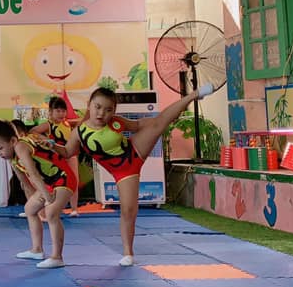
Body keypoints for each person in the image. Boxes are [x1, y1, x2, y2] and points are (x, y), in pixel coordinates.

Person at [63, 84, 211, 267]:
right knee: (128, 209)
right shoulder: (79, 132)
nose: (102, 113)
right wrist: (49, 146)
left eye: (108, 110)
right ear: (89, 105)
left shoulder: (116, 122)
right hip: (123, 171)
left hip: (134, 150)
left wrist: (157, 121)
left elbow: (138, 125)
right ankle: (128, 252)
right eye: (98, 107)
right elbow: (67, 151)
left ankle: (194, 95)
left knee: (159, 123)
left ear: (113, 111)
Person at [0, 120, 75, 268]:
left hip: (63, 177)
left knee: (51, 212)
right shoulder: (12, 158)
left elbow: (33, 174)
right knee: (29, 209)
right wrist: (37, 199)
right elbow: (25, 183)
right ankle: (37, 250)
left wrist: (47, 197)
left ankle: (57, 257)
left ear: (13, 141)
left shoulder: (20, 146)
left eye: (1, 148)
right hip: (49, 183)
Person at [30, 96, 80, 216]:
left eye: (63, 111)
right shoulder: (48, 125)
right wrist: (45, 139)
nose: (61, 114)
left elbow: (80, 122)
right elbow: (32, 131)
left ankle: (74, 209)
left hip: (70, 155)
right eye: (58, 111)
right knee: (57, 183)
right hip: (57, 158)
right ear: (51, 112)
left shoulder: (67, 123)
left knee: (75, 181)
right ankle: (56, 207)